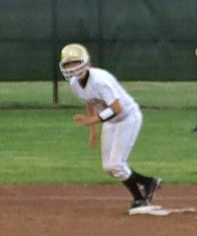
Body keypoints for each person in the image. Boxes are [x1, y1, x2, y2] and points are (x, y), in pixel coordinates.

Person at [59, 43, 161, 215]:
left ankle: (140, 200)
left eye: (75, 62)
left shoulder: (100, 81)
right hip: (110, 121)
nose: (72, 67)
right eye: (68, 64)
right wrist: (92, 130)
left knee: (116, 164)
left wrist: (93, 120)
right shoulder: (75, 84)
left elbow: (117, 108)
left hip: (128, 117)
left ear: (86, 62)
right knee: (109, 167)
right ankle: (149, 182)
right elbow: (89, 103)